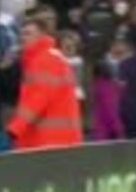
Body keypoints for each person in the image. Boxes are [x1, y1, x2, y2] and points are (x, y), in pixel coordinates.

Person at [6, 20, 83, 151]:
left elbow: (38, 99)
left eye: (28, 34)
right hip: (60, 138)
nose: (23, 38)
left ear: (41, 36)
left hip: (47, 140)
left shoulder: (43, 60)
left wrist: (15, 129)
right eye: (22, 34)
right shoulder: (51, 57)